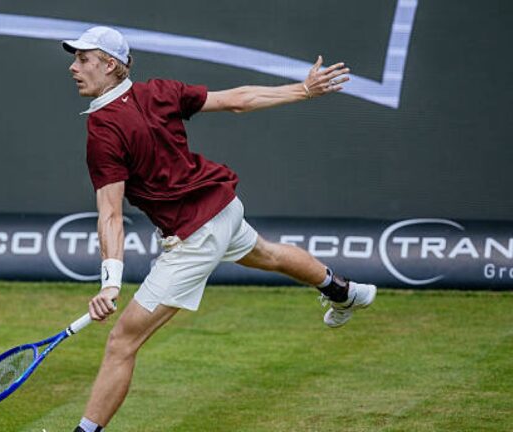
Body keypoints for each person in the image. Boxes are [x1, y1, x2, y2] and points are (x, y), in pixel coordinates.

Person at [62, 26, 377, 432]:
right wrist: (304, 90)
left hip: (195, 236)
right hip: (223, 208)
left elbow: (110, 213)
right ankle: (345, 292)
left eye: (84, 59)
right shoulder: (158, 90)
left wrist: (110, 283)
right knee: (267, 253)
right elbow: (238, 101)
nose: (74, 67)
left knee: (123, 343)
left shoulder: (103, 130)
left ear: (110, 65)